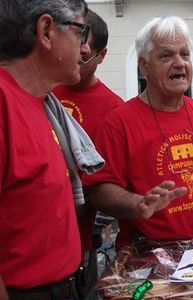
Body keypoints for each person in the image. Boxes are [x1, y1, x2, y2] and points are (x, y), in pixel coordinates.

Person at [82, 16, 193, 250]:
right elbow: (100, 192)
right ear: (144, 65)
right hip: (153, 254)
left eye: (184, 54)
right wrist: (138, 203)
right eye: (166, 55)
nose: (179, 63)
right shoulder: (119, 122)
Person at [0, 0, 90, 298]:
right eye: (81, 32)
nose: (86, 49)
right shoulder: (4, 104)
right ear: (47, 31)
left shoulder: (42, 104)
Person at [53, 9, 124, 299]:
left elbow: (107, 181)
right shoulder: (45, 86)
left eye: (84, 56)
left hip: (79, 238)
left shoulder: (114, 109)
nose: (74, 60)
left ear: (101, 55)